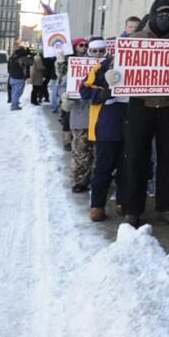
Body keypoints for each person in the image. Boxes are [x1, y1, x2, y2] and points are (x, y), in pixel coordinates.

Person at [110, 0, 169, 227]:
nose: (165, 18)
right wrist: (114, 77)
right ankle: (132, 208)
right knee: (135, 157)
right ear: (153, 14)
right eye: (161, 14)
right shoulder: (134, 40)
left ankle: (168, 206)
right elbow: (120, 69)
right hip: (140, 107)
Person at [80, 39, 125, 222]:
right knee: (103, 168)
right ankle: (97, 205)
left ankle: (124, 201)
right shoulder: (102, 66)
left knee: (127, 168)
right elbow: (84, 89)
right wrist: (103, 93)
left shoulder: (142, 64)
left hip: (132, 125)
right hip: (106, 125)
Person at [68, 40, 96, 194]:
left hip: (100, 118)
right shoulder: (75, 66)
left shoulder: (104, 67)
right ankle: (79, 181)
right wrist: (65, 96)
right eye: (83, 46)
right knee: (81, 153)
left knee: (97, 153)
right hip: (81, 116)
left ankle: (94, 180)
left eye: (87, 46)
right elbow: (63, 85)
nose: (84, 48)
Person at [8, 46, 30, 110]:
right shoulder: (22, 58)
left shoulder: (12, 57)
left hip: (12, 77)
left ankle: (15, 103)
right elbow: (30, 62)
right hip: (19, 78)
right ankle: (14, 106)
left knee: (14, 92)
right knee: (17, 93)